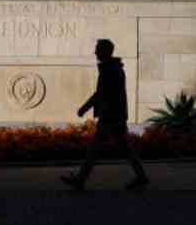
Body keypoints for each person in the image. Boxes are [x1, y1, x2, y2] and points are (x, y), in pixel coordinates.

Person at [61, 39, 150, 191]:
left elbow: (102, 94)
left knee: (95, 149)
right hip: (114, 115)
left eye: (97, 49)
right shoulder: (112, 68)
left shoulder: (110, 69)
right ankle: (141, 177)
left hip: (110, 116)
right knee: (122, 149)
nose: (95, 52)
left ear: (105, 51)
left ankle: (80, 180)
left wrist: (84, 107)